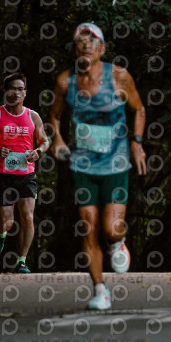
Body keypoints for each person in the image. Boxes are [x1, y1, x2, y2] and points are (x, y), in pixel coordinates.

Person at [49, 22, 147, 310]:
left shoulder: (118, 76)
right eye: (81, 41)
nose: (86, 45)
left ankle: (118, 242)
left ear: (102, 49)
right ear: (74, 49)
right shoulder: (65, 81)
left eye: (92, 41)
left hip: (115, 163)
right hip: (82, 165)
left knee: (111, 229)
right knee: (88, 227)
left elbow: (139, 109)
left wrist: (136, 143)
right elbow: (54, 116)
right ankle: (100, 289)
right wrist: (57, 139)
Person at [0, 72, 50, 273]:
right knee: (7, 222)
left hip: (26, 174)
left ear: (25, 93)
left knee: (28, 218)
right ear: (5, 92)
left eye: (20, 89)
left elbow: (45, 141)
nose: (16, 93)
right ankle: (1, 233)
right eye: (12, 89)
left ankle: (22, 261)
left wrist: (38, 152)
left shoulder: (33, 116)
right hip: (2, 174)